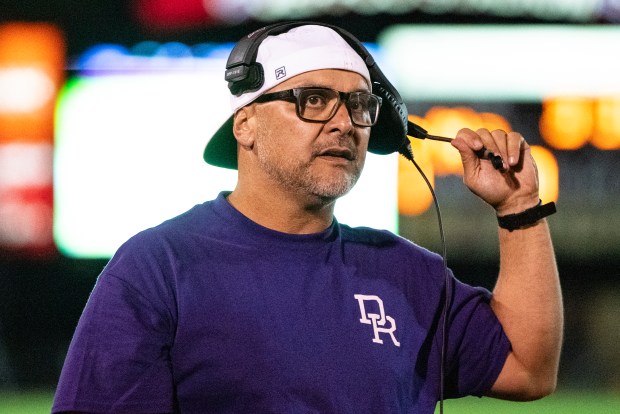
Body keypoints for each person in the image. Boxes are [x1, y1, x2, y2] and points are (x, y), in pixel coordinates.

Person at [52, 22, 563, 413]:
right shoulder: (156, 269)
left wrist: (519, 210)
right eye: (313, 100)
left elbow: (528, 369)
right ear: (246, 124)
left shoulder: (407, 271)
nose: (344, 123)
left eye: (360, 105)